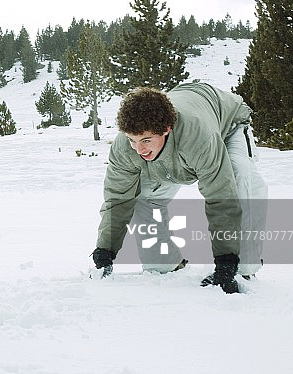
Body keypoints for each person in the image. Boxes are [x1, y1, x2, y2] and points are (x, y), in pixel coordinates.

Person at [91, 83, 268, 294]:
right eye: (132, 140)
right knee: (142, 196)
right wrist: (105, 250)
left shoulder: (199, 138)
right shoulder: (126, 148)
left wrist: (226, 262)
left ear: (165, 129)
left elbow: (221, 197)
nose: (139, 149)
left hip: (228, 126)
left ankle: (242, 268)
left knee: (239, 178)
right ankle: (164, 263)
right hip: (177, 148)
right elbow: (118, 199)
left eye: (145, 140)